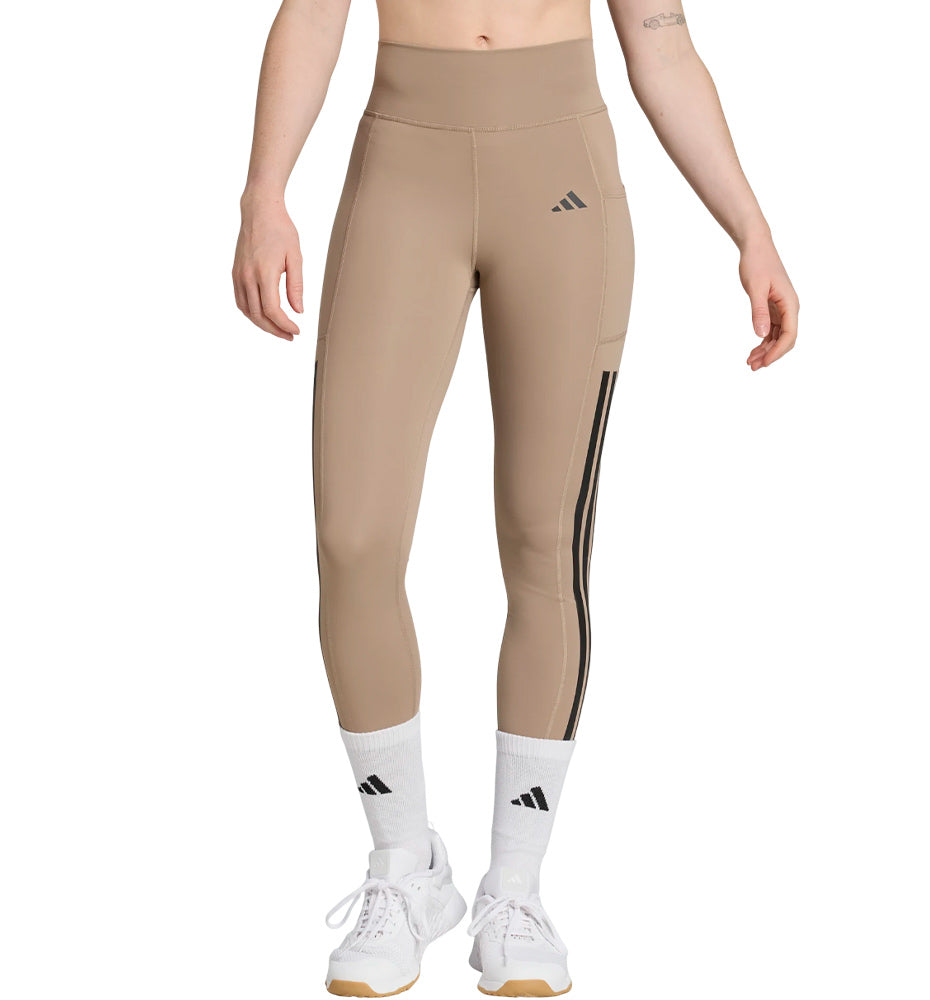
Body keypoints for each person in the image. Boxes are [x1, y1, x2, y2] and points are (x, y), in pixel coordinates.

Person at [232, 0, 799, 995]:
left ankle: (517, 888)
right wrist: (263, 191)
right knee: (354, 537)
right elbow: (314, 13)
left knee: (546, 541)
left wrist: (750, 226)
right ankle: (406, 866)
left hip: (561, 176)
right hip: (403, 169)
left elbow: (661, 41)